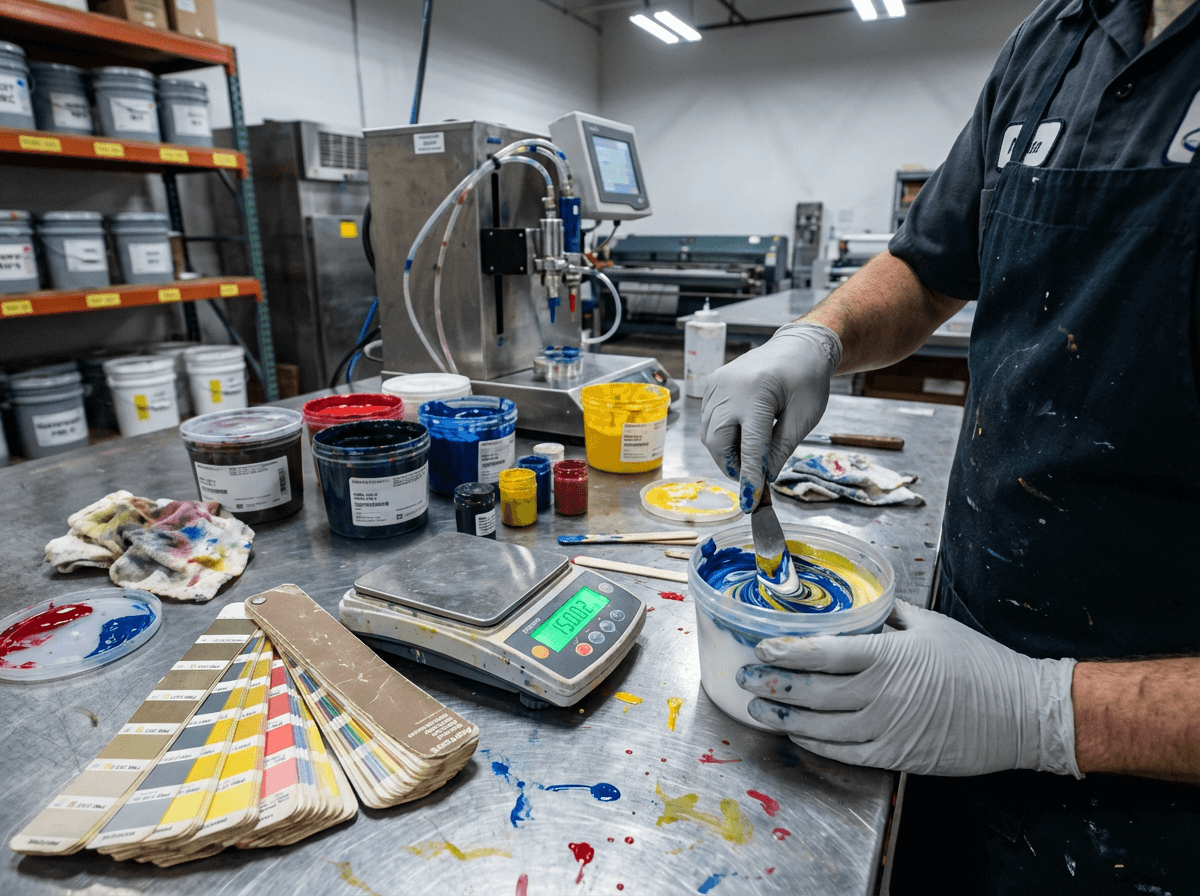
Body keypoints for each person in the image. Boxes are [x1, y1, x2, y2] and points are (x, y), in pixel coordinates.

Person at [700, 0, 1200, 892]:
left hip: (1153, 813)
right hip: (938, 681)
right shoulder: (1055, 38)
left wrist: (1044, 714)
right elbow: (929, 266)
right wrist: (814, 339)